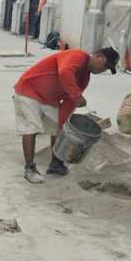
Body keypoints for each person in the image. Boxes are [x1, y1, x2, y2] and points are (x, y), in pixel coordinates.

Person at [13, 46, 119, 184]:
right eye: (105, 66)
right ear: (98, 56)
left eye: (106, 69)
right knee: (31, 128)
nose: (103, 70)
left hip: (50, 99)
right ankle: (29, 168)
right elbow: (65, 72)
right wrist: (76, 95)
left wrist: (62, 125)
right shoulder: (78, 56)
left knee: (58, 129)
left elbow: (69, 103)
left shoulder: (84, 79)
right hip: (29, 90)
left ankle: (55, 164)